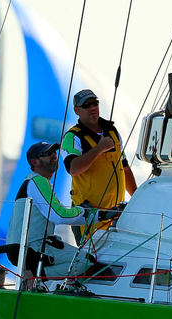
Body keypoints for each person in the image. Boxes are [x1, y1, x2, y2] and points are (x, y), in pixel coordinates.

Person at [6, 141, 94, 288]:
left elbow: (60, 214)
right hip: (32, 247)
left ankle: (34, 279)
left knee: (80, 261)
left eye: (54, 152)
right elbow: (59, 215)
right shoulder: (37, 181)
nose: (53, 156)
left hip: (22, 247)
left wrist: (93, 216)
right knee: (86, 261)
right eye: (47, 154)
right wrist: (83, 210)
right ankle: (36, 276)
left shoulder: (36, 183)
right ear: (34, 161)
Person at [60, 89, 137, 242]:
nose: (92, 108)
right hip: (89, 218)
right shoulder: (73, 137)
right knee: (90, 263)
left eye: (95, 103)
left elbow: (124, 168)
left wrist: (137, 199)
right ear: (77, 110)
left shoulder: (112, 131)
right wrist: (99, 148)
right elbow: (73, 169)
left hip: (116, 216)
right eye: (86, 105)